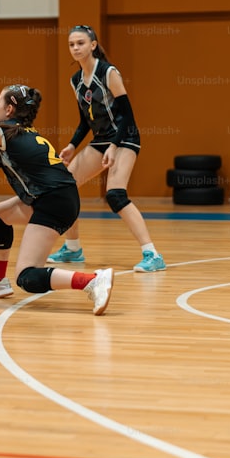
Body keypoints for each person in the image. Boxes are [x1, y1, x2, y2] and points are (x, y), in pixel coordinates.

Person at [0, 84, 114, 315]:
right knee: (0, 216)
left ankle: (91, 280)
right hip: (61, 198)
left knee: (27, 277)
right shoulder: (21, 133)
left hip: (52, 202)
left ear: (8, 109)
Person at [46, 25, 166, 273]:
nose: (76, 48)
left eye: (80, 43)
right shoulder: (76, 80)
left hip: (124, 136)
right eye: (71, 44)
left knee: (115, 195)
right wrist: (71, 145)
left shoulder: (108, 72)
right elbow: (84, 121)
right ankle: (72, 248)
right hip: (101, 138)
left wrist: (114, 145)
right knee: (64, 185)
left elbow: (128, 115)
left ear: (93, 45)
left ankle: (152, 254)